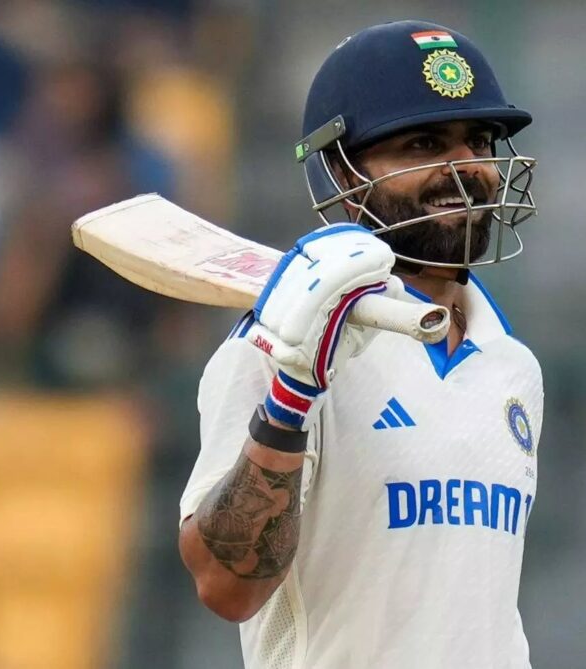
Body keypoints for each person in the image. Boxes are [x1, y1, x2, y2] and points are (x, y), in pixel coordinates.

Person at [178, 20, 543, 668]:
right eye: (423, 144)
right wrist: (292, 395)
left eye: (479, 140)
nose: (464, 167)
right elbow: (226, 586)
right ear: (339, 171)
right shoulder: (274, 343)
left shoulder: (513, 366)